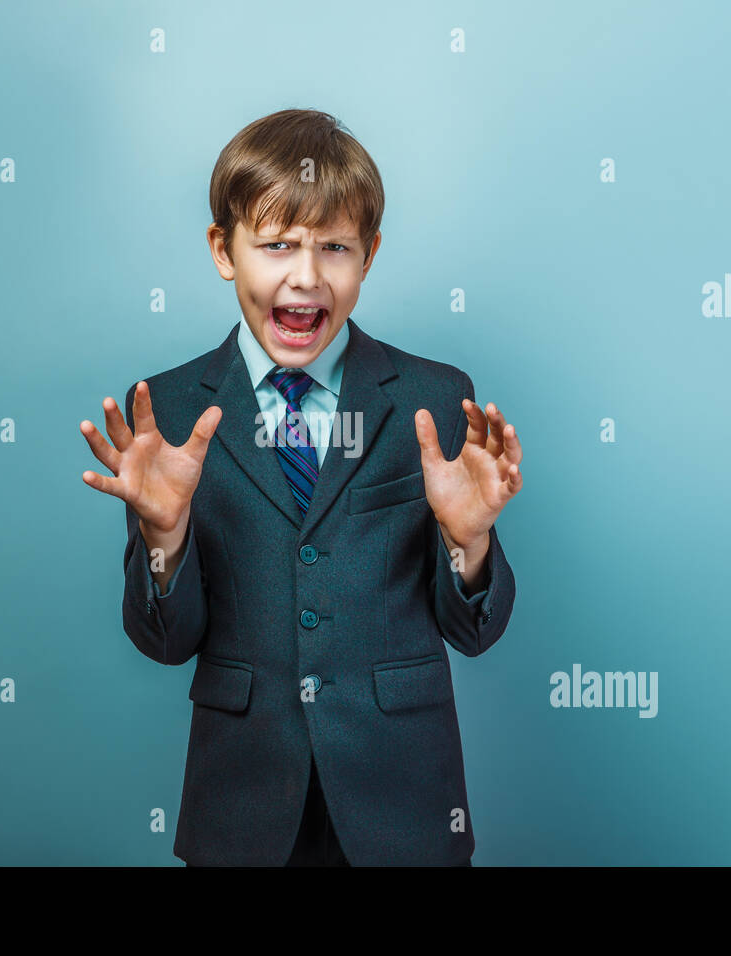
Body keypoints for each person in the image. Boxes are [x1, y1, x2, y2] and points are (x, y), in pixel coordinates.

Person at [80, 109, 522, 866]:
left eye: (335, 247)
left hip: (405, 802)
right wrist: (164, 539)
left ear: (370, 254)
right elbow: (164, 641)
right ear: (224, 249)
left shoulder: (435, 397)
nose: (307, 275)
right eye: (277, 245)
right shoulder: (171, 411)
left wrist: (468, 541)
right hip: (242, 806)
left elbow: (474, 632)